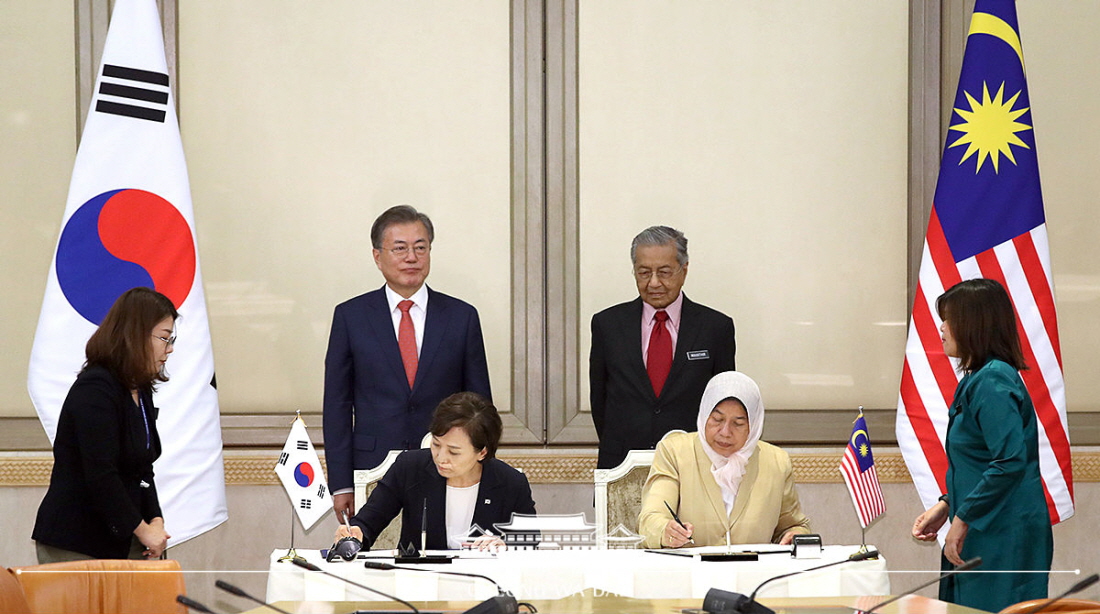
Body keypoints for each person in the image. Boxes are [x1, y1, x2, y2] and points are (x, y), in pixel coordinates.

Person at [324, 204, 492, 522]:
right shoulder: (351, 317)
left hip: (449, 467)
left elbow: (480, 406)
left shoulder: (461, 317)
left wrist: (482, 472)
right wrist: (341, 483)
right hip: (371, 468)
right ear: (377, 256)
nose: (411, 257)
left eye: (420, 247)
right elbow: (337, 406)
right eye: (399, 248)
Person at [911, 278, 1052, 612]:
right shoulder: (979, 377)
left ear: (974, 324)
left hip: (1002, 532)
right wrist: (947, 505)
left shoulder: (992, 380)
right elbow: (979, 460)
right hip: (984, 524)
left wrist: (963, 519)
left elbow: (1009, 462)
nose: (941, 328)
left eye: (949, 319)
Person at [32, 287, 176, 562]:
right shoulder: (95, 390)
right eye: (165, 338)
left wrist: (155, 519)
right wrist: (143, 529)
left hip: (126, 537)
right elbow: (100, 475)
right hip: (79, 542)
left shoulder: (139, 389)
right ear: (136, 335)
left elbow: (143, 469)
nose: (169, 349)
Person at [590, 225, 736, 469]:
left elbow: (722, 403)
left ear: (684, 270)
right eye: (644, 272)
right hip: (623, 465)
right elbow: (600, 401)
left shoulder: (715, 327)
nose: (654, 283)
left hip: (694, 466)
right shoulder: (607, 325)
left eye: (665, 272)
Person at [335, 392, 535, 550]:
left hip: (486, 589)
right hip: (418, 586)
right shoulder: (409, 468)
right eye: (436, 445)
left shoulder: (511, 483)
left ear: (482, 452)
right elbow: (368, 522)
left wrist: (507, 546)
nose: (440, 457)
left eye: (454, 452)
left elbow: (530, 542)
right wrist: (355, 533)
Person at [638, 371, 811, 548]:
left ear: (754, 424)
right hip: (690, 571)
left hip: (754, 573)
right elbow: (651, 518)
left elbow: (794, 526)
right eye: (717, 420)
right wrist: (665, 531)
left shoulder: (776, 462)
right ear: (704, 415)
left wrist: (796, 536)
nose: (725, 432)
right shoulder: (674, 452)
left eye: (738, 423)